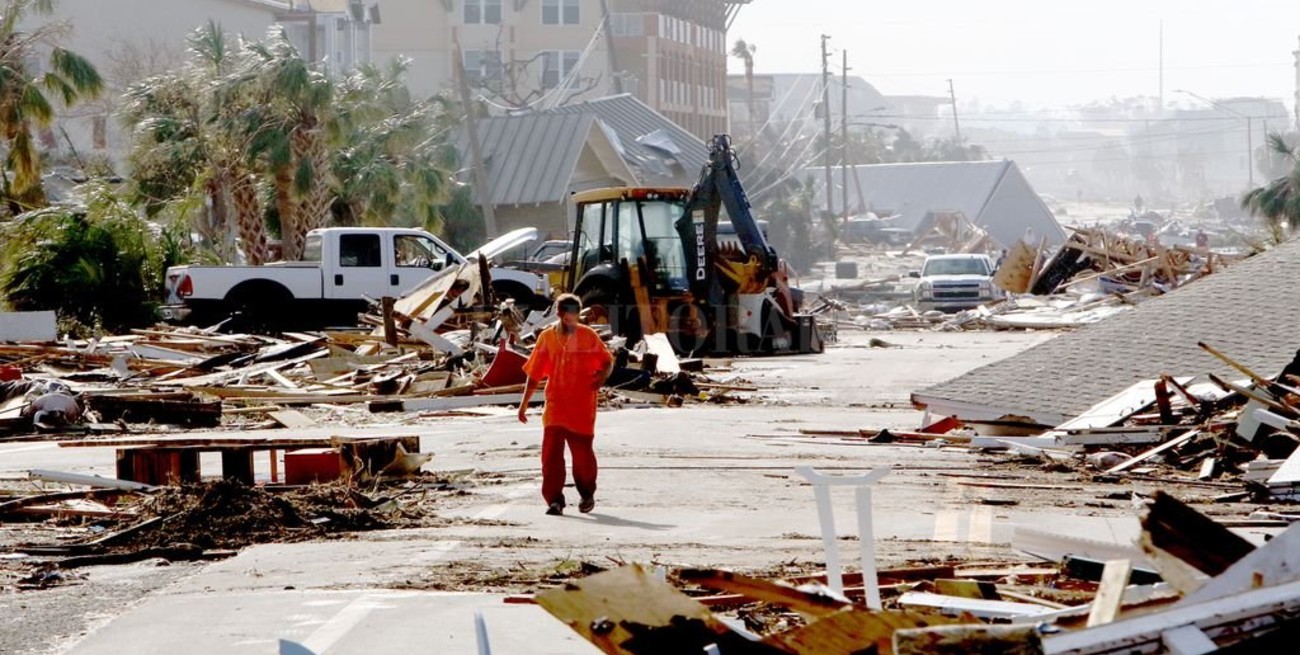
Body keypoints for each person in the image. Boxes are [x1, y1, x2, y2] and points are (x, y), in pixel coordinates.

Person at [518, 294, 615, 516]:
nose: (573, 321)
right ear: (560, 314)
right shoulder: (546, 338)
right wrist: (524, 404)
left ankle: (587, 493)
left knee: (582, 455)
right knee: (551, 454)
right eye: (569, 316)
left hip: (582, 405)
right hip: (555, 404)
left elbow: (607, 361)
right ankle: (554, 500)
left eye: (576, 316)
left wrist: (602, 378)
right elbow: (534, 373)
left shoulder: (588, 336)